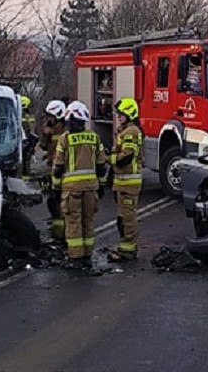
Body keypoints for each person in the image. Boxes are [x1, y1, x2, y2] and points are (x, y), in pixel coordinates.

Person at [51, 101, 108, 270]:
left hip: (71, 190)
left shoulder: (65, 138)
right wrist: (101, 185)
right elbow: (101, 164)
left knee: (74, 222)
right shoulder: (94, 137)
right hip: (91, 188)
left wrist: (55, 188)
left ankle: (76, 258)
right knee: (88, 221)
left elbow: (58, 166)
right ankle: (87, 255)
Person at [108, 99, 143, 262]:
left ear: (130, 114)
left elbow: (125, 158)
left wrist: (109, 158)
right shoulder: (124, 131)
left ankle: (128, 249)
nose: (118, 117)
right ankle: (126, 246)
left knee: (127, 217)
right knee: (123, 217)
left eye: (121, 114)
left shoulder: (131, 132)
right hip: (122, 182)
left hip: (129, 183)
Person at [39, 100, 68, 244]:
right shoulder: (51, 130)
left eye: (50, 116)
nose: (48, 119)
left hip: (63, 173)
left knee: (59, 204)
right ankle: (58, 234)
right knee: (52, 202)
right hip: (53, 171)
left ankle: (62, 236)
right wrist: (45, 135)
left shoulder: (65, 131)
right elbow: (44, 147)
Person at [20, 95, 37, 181]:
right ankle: (26, 178)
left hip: (21, 141)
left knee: (23, 160)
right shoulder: (29, 116)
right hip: (27, 141)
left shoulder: (17, 114)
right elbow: (33, 130)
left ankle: (24, 177)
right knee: (26, 160)